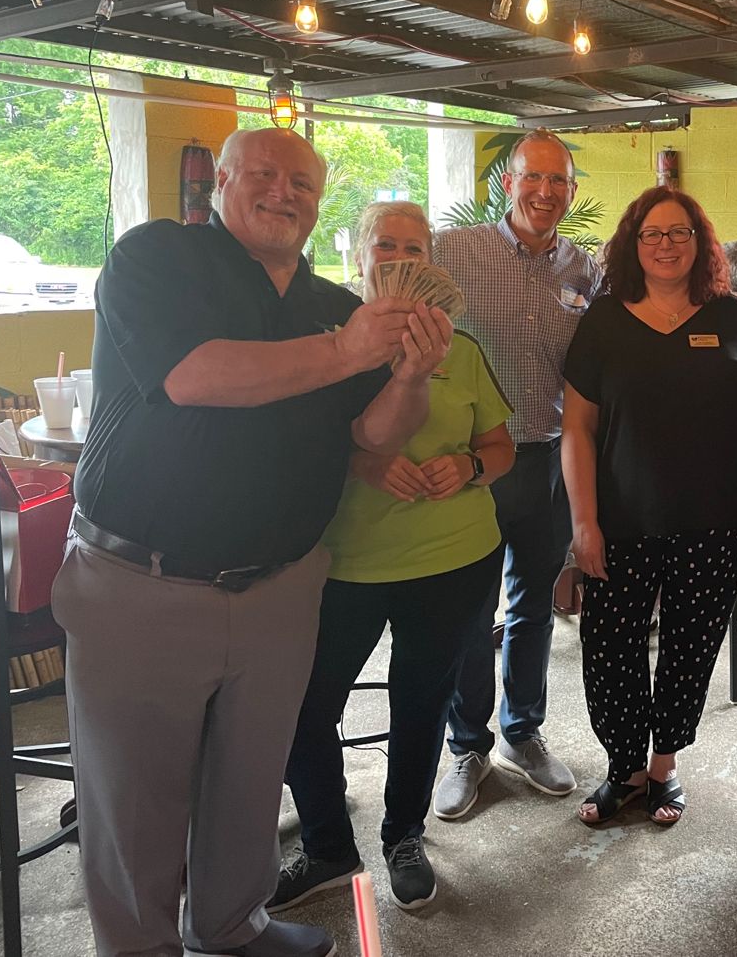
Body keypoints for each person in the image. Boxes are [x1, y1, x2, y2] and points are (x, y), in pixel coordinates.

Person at [52, 127, 451, 957]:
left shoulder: (334, 304)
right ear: (220, 183)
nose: (283, 191)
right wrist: (347, 351)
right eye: (263, 174)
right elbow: (194, 376)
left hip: (280, 585)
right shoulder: (158, 258)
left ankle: (233, 926)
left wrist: (410, 375)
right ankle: (139, 949)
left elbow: (375, 436)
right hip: (142, 581)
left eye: (302, 182)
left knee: (248, 781)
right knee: (135, 799)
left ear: (319, 202)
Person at [272, 202, 514, 915]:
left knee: (420, 703)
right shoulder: (323, 345)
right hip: (341, 561)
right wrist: (362, 465)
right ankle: (326, 845)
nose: (401, 260)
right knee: (302, 707)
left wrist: (467, 467)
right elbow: (286, 444)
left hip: (452, 559)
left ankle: (404, 835)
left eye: (415, 247)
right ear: (358, 257)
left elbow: (501, 449)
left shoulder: (460, 350)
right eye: (386, 246)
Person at [562, 186, 737, 826]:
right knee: (610, 646)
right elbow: (577, 431)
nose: (667, 245)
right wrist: (584, 524)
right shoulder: (604, 320)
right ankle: (623, 769)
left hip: (715, 522)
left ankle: (664, 767)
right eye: (653, 234)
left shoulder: (731, 318)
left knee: (689, 647)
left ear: (699, 243)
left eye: (679, 233)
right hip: (621, 521)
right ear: (633, 244)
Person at [429, 129, 601, 818]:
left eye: (559, 182)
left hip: (551, 460)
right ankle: (466, 746)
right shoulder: (455, 254)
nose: (546, 193)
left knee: (535, 606)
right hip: (477, 460)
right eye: (534, 178)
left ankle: (521, 733)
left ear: (572, 191)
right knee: (469, 610)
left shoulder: (584, 272)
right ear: (507, 183)